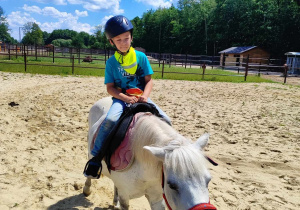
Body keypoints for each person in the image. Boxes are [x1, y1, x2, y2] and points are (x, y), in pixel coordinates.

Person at [84, 15, 171, 178]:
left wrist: (145, 96)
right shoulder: (111, 63)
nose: (123, 43)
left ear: (131, 38)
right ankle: (95, 158)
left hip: (141, 97)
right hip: (122, 99)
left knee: (166, 120)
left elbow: (149, 80)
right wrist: (124, 98)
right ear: (112, 42)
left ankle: (170, 158)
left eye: (126, 38)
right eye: (119, 40)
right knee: (110, 120)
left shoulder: (141, 57)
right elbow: (110, 88)